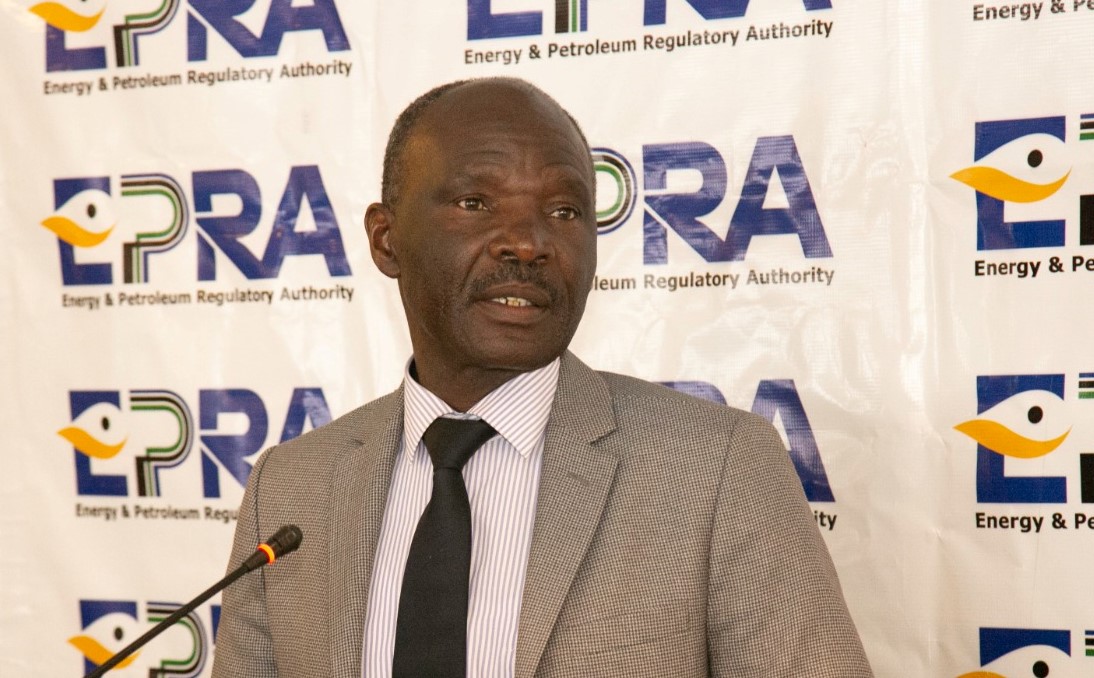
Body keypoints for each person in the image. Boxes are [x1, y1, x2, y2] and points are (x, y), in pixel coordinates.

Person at [211, 77, 873, 678]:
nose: (528, 243)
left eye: (564, 211)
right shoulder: (289, 487)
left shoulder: (718, 467)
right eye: (476, 202)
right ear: (386, 240)